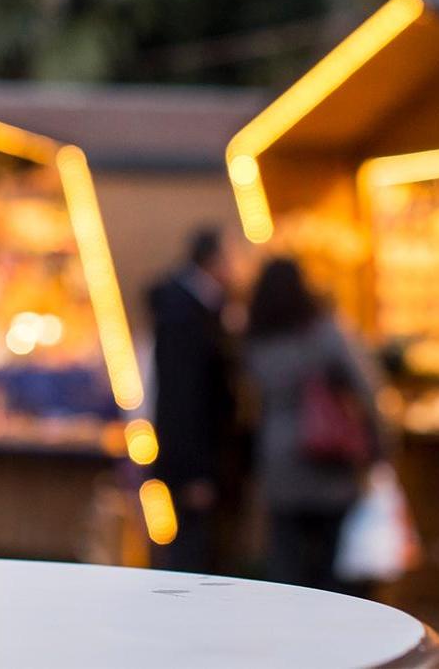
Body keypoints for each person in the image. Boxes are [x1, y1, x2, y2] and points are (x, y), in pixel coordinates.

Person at [243, 256, 382, 592]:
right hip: (327, 453)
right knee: (330, 563)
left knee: (287, 561)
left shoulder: (255, 341)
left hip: (277, 455)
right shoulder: (324, 334)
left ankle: (289, 634)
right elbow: (367, 388)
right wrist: (379, 448)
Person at [148, 226, 239, 574]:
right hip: (197, 459)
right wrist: (194, 471)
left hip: (201, 457)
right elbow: (183, 396)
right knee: (194, 553)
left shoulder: (200, 306)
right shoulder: (186, 314)